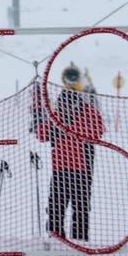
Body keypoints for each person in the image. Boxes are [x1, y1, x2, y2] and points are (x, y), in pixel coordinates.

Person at [35, 63, 106, 241]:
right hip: (76, 169)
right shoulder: (77, 112)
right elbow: (98, 132)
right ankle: (76, 241)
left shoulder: (59, 114)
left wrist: (59, 126)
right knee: (74, 208)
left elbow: (41, 134)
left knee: (61, 208)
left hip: (67, 168)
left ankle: (61, 240)